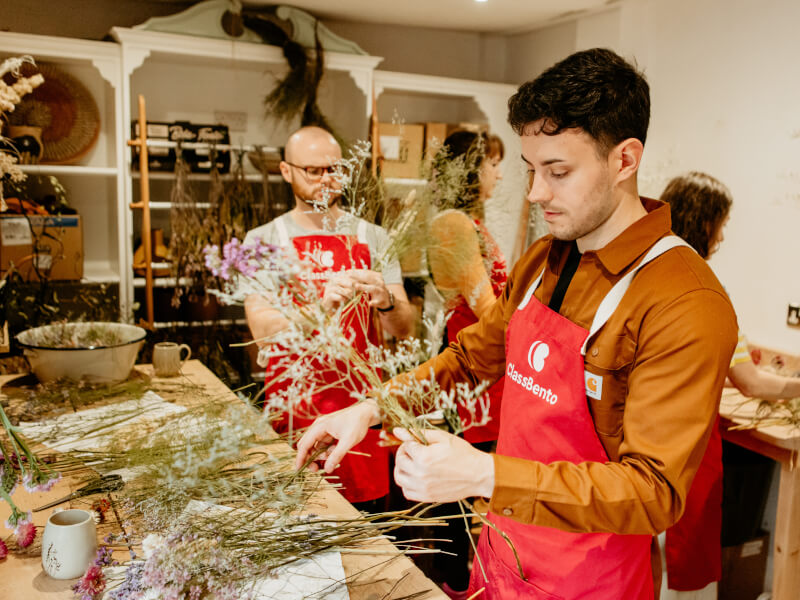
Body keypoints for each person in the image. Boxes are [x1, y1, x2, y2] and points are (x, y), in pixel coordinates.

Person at [295, 48, 738, 599]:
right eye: (532, 170)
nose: (535, 193)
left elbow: (652, 492)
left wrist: (486, 475)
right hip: (503, 554)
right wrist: (372, 405)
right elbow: (471, 355)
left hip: (589, 581)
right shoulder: (544, 259)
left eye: (558, 171)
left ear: (625, 160)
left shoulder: (684, 301)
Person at [243, 125, 414, 510]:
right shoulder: (264, 241)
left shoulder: (374, 238)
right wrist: (321, 307)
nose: (326, 180)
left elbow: (404, 329)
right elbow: (263, 331)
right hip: (296, 411)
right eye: (313, 171)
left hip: (361, 412)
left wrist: (385, 300)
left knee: (369, 531)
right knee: (302, 521)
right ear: (286, 171)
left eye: (334, 170)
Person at [660, 171, 800, 597]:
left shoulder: (645, 275)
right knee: (680, 571)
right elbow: (752, 383)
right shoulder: (705, 290)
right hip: (685, 450)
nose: (722, 234)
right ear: (706, 223)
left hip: (636, 445)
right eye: (722, 222)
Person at [426, 130, 507, 598]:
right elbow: (489, 310)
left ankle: (467, 581)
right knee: (463, 491)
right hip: (471, 374)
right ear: (470, 168)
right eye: (492, 163)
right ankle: (456, 586)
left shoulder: (471, 223)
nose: (498, 173)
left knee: (474, 485)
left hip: (485, 373)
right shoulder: (453, 224)